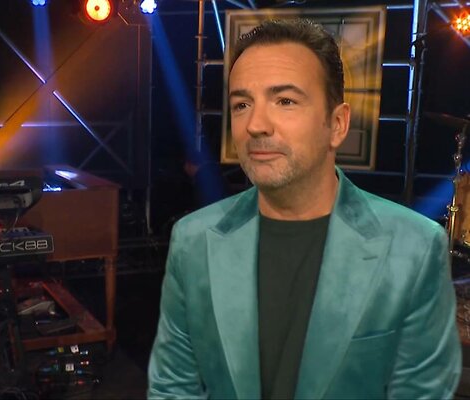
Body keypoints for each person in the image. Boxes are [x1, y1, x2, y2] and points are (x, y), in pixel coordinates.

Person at [147, 18, 461, 399]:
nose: (256, 125)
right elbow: (172, 386)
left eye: (285, 101)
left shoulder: (415, 248)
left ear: (337, 124)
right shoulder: (192, 239)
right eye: (242, 104)